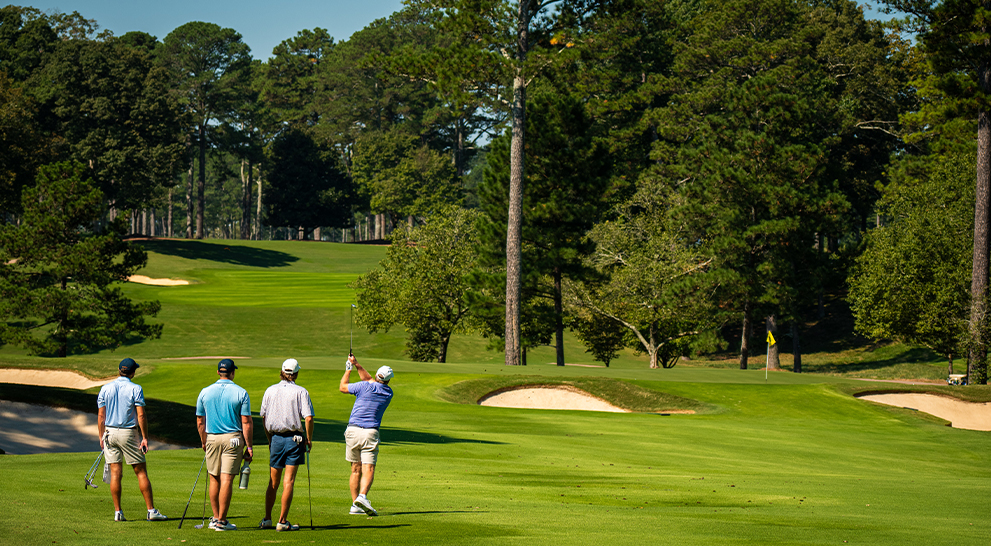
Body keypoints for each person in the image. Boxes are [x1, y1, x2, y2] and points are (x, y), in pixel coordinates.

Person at [97, 357, 167, 522]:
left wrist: (101, 436)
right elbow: (141, 415)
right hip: (128, 433)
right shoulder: (136, 388)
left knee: (115, 473)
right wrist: (144, 437)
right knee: (140, 471)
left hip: (109, 432)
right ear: (133, 372)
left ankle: (118, 512)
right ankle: (151, 511)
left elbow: (101, 416)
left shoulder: (105, 388)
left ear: (120, 370)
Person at [195, 358, 253, 531]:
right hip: (233, 439)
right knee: (226, 478)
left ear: (218, 372)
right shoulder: (241, 392)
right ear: (232, 373)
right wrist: (249, 446)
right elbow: (246, 422)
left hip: (212, 437)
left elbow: (200, 421)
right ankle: (221, 520)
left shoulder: (205, 392)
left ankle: (215, 518)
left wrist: (204, 441)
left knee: (214, 477)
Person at [258, 358, 315, 532]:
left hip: (275, 439)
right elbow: (309, 418)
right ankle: (282, 521)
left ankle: (267, 519)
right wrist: (309, 439)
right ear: (296, 373)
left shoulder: (270, 390)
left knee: (273, 482)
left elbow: (264, 417)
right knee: (288, 481)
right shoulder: (301, 391)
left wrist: (270, 439)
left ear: (282, 371)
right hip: (294, 440)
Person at [339, 354, 394, 516]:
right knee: (368, 467)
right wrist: (356, 364)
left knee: (355, 469)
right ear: (388, 380)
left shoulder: (364, 387)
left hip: (352, 431)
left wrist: (348, 370)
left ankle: (355, 504)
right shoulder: (388, 393)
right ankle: (362, 497)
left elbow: (343, 387)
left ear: (377, 376)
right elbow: (369, 379)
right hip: (370, 432)